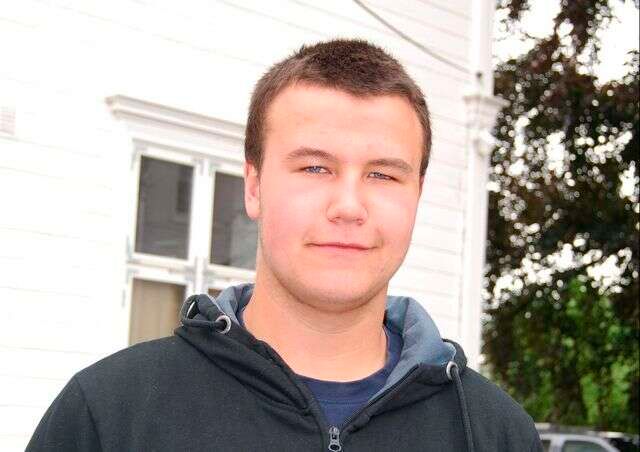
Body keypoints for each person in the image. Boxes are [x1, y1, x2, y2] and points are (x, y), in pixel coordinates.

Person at [27, 39, 542, 452]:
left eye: (383, 174)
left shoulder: (495, 434)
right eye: (315, 167)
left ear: (417, 195)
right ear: (253, 186)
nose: (348, 206)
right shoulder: (109, 415)